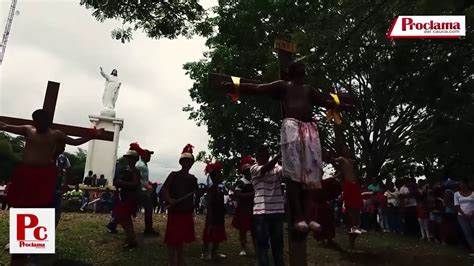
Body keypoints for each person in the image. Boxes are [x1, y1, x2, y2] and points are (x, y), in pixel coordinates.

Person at [221, 61, 353, 232]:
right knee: (293, 174)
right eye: (296, 67)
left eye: (302, 68)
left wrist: (343, 106)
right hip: (291, 126)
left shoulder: (308, 89)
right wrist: (236, 86)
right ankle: (298, 216)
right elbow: (259, 89)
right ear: (289, 72)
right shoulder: (283, 86)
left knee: (312, 174)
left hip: (309, 128)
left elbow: (324, 101)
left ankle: (308, 217)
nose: (300, 70)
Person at [0, 109, 103, 265]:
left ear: (47, 121)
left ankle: (33, 252)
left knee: (40, 211)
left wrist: (92, 135)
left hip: (44, 176)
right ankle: (20, 252)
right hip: (26, 174)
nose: (37, 124)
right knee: (22, 209)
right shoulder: (28, 129)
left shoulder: (56, 134)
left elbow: (74, 141)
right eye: (35, 120)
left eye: (40, 121)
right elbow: (6, 125)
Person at [162, 144, 198, 266]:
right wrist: (169, 198)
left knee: (181, 238)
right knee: (172, 239)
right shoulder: (174, 175)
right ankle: (171, 262)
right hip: (175, 212)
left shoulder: (193, 179)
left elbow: (196, 194)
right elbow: (164, 189)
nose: (188, 163)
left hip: (186, 212)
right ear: (181, 162)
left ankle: (180, 260)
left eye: (190, 161)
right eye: (185, 161)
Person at [250, 145, 285, 266]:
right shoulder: (254, 168)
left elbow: (286, 172)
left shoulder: (277, 168)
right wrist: (279, 156)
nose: (264, 157)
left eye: (266, 155)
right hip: (261, 212)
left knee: (278, 245)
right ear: (257, 157)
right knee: (263, 245)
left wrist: (286, 158)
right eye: (261, 155)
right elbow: (264, 169)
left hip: (277, 211)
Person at [113, 146, 141, 250]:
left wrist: (121, 183)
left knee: (126, 219)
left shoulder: (135, 171)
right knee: (122, 218)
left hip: (130, 198)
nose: (129, 159)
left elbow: (135, 184)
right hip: (123, 196)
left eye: (131, 158)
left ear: (135, 159)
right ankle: (129, 237)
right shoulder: (125, 169)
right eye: (128, 157)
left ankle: (131, 239)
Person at [338, 146, 364, 251]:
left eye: (348, 149)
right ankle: (351, 242)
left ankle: (353, 239)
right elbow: (335, 162)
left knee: (357, 218)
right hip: (349, 186)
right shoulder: (341, 159)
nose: (347, 150)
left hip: (355, 187)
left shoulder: (352, 161)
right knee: (351, 217)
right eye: (345, 149)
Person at [129, 143, 159, 236]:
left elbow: (143, 178)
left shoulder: (143, 165)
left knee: (130, 208)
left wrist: (150, 183)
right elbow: (138, 179)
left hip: (143, 190)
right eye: (148, 154)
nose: (150, 156)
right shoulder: (141, 165)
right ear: (143, 155)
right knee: (148, 209)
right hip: (141, 191)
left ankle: (113, 223)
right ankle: (148, 229)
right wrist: (147, 186)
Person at [201, 161, 227, 260]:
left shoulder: (219, 188)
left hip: (219, 215)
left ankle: (215, 252)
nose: (222, 175)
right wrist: (211, 217)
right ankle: (205, 253)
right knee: (209, 233)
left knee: (218, 234)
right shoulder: (212, 189)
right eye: (220, 174)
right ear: (215, 176)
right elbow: (210, 204)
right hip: (212, 216)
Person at [231, 155, 256, 256]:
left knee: (255, 230)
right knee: (243, 230)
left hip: (253, 208)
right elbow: (237, 194)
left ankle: (256, 248)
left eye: (250, 170)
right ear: (244, 172)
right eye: (247, 171)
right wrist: (251, 195)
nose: (249, 172)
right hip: (243, 209)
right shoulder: (241, 182)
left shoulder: (255, 181)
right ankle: (243, 248)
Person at [454, 177, 474, 256]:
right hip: (462, 216)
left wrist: (472, 213)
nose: (460, 185)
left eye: (461, 183)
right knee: (467, 233)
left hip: (472, 215)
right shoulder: (456, 194)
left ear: (466, 184)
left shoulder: (473, 193)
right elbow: (457, 206)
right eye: (459, 184)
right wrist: (464, 214)